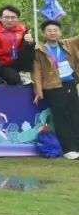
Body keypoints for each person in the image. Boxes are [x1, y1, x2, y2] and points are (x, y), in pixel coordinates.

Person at [32, 19, 79, 160]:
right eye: (49, 30)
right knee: (61, 117)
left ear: (60, 32)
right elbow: (37, 71)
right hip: (53, 87)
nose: (52, 33)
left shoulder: (68, 43)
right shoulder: (39, 50)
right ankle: (69, 148)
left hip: (70, 83)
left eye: (55, 30)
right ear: (43, 33)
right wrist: (38, 91)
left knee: (75, 114)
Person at [0, 5, 35, 85]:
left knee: (30, 46)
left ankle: (24, 72)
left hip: (17, 61)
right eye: (6, 17)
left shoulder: (24, 30)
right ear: (0, 18)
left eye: (13, 17)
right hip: (0, 64)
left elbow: (27, 51)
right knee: (13, 78)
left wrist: (31, 42)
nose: (9, 20)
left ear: (18, 18)